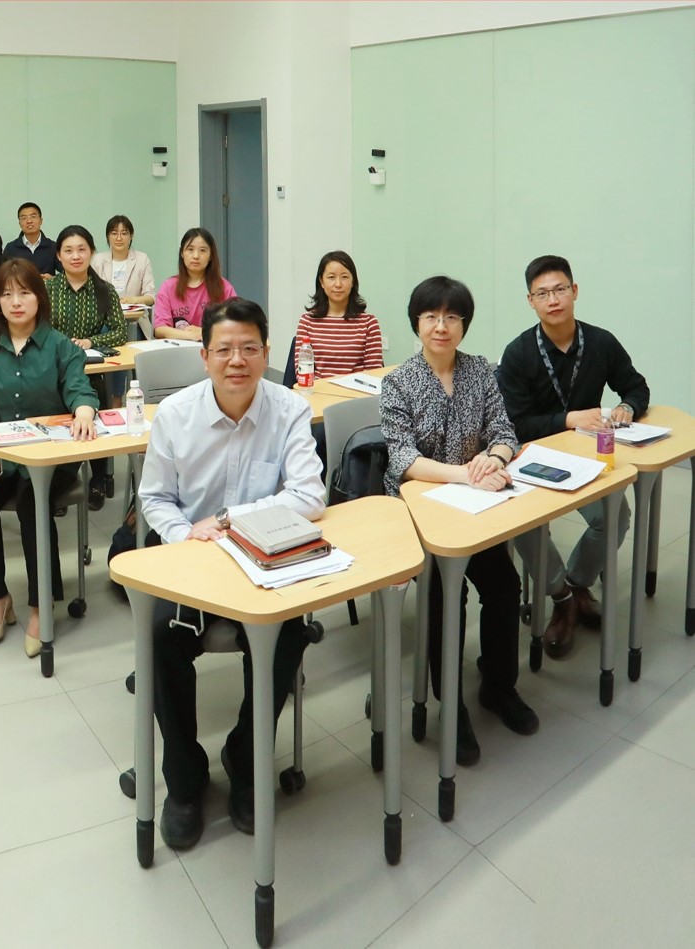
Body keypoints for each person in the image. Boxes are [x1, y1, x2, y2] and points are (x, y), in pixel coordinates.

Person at [140, 297, 324, 851]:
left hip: (262, 558)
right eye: (224, 350)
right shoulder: (175, 415)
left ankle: (245, 761)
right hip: (192, 559)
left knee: (289, 634)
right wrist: (186, 535)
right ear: (204, 356)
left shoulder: (289, 409)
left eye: (249, 348)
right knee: (160, 638)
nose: (237, 360)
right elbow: (155, 499)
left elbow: (310, 495)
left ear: (266, 353)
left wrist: (227, 521)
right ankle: (184, 779)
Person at [381, 275, 535, 769]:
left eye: (452, 317)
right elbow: (403, 459)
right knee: (445, 598)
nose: (441, 326)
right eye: (431, 316)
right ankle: (450, 704)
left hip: (475, 508)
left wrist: (496, 457)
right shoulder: (398, 382)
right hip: (420, 513)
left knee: (505, 585)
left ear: (464, 324)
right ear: (417, 323)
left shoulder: (480, 371)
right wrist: (467, 475)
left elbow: (504, 429)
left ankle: (498, 685)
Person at [499, 255, 646, 659]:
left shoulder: (600, 342)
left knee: (616, 516)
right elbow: (515, 424)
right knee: (524, 524)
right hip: (533, 458)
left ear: (574, 291)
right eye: (542, 293)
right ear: (530, 301)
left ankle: (578, 585)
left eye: (560, 289)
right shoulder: (518, 353)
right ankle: (560, 596)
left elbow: (636, 387)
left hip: (586, 459)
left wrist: (627, 407)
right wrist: (567, 419)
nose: (553, 300)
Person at [0, 259, 99, 656]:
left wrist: (84, 412)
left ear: (39, 298)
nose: (16, 302)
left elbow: (80, 389)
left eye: (24, 293)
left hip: (52, 458)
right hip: (4, 454)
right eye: (7, 295)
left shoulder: (60, 346)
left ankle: (42, 605)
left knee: (31, 503)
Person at [46, 225, 125, 510]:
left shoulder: (104, 290)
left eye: (82, 250)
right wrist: (60, 343)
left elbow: (120, 331)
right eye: (68, 251)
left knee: (97, 405)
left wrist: (92, 341)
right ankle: (60, 480)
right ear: (59, 255)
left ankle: (98, 478)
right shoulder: (47, 289)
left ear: (91, 252)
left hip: (90, 370)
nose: (76, 256)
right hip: (53, 370)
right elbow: (36, 328)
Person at [290, 251, 383, 382]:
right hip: (318, 391)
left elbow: (374, 373)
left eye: (344, 277)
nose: (338, 284)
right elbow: (303, 371)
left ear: (353, 281)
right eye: (331, 277)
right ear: (321, 282)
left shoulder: (369, 322)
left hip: (355, 392)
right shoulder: (307, 321)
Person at [152, 228, 235, 341]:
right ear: (182, 253)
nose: (196, 256)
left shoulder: (223, 286)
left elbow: (237, 323)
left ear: (211, 255)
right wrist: (193, 335)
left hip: (213, 348)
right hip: (178, 349)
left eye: (202, 250)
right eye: (190, 249)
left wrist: (204, 332)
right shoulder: (168, 287)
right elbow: (160, 329)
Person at [93, 214, 156, 308]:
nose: (119, 238)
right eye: (114, 233)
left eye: (124, 233)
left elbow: (151, 297)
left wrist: (133, 300)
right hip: (106, 315)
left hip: (135, 315)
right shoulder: (97, 260)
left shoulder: (142, 259)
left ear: (131, 236)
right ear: (108, 236)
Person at [3, 202, 56, 275]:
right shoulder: (11, 248)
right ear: (20, 223)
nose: (29, 221)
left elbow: (67, 272)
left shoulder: (53, 246)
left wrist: (53, 279)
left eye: (33, 216)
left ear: (41, 221)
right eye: (24, 218)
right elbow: (4, 274)